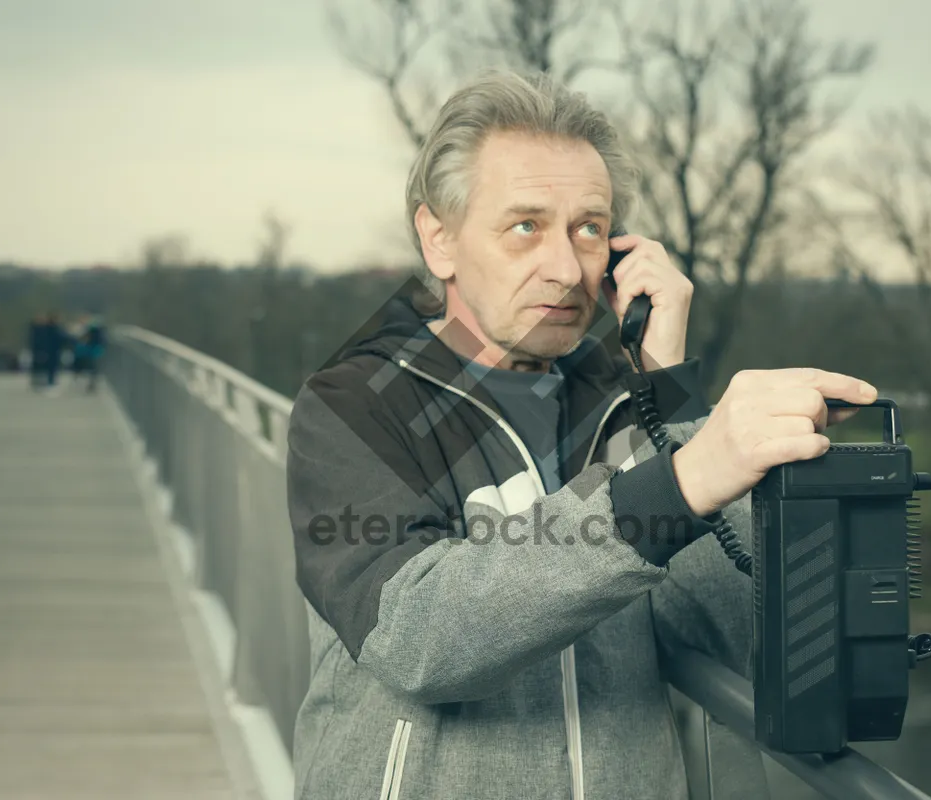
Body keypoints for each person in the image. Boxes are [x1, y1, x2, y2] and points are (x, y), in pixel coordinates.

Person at [284, 69, 876, 799]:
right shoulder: (350, 407)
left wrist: (669, 393)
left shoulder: (627, 405)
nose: (566, 268)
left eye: (589, 229)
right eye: (525, 225)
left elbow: (729, 637)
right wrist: (677, 484)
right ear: (439, 239)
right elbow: (419, 639)